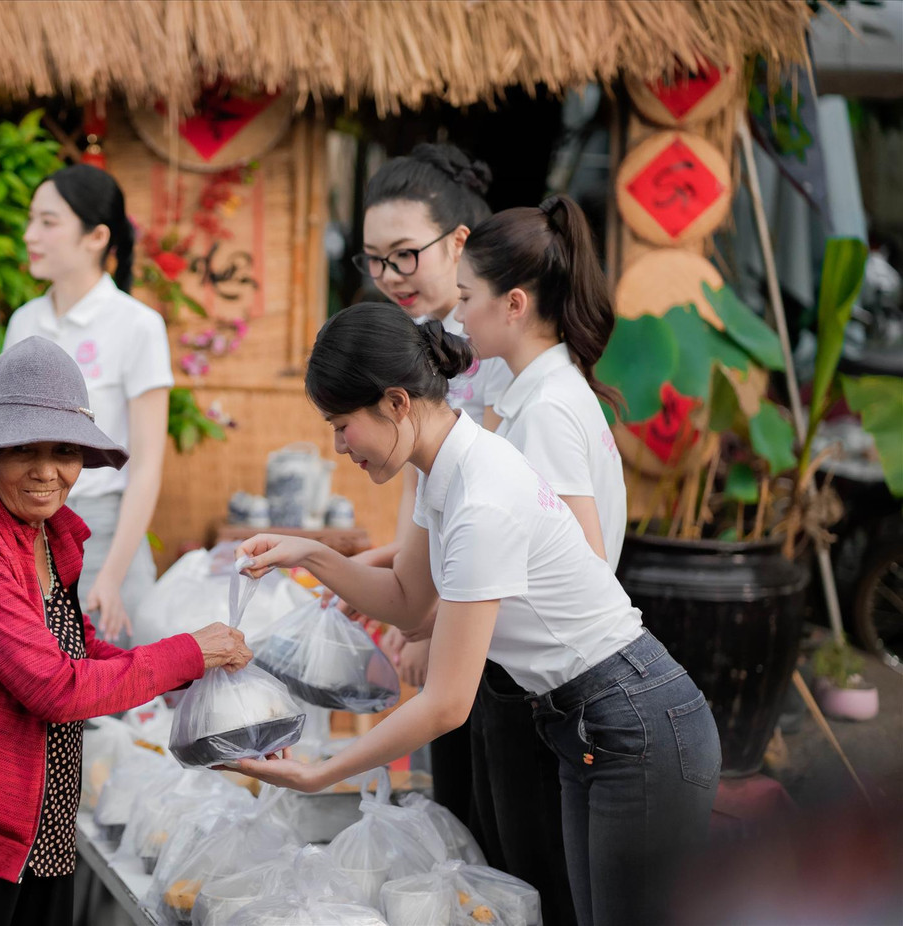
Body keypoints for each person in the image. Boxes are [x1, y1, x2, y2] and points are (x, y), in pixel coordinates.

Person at [231, 303, 721, 926]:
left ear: (396, 403)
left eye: (341, 424)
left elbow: (446, 703)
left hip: (636, 722)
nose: (336, 447)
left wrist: (321, 773)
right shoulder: (449, 469)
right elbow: (408, 601)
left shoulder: (480, 496)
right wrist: (311, 553)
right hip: (592, 724)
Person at [0, 336, 251, 926]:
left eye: (65, 450)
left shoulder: (48, 532)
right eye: (24, 449)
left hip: (40, 809)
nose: (47, 471)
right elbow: (52, 686)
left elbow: (75, 647)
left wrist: (194, 679)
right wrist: (184, 655)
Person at [444, 193, 627, 925]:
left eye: (465, 298)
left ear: (514, 304)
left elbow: (578, 568)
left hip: (552, 686)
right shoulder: (524, 388)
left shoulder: (548, 406)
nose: (455, 317)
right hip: (530, 678)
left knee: (534, 887)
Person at [343, 143, 510, 834]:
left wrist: (430, 619)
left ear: (458, 242)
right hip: (446, 600)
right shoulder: (410, 339)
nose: (388, 275)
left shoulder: (501, 345)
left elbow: (493, 505)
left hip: (503, 618)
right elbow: (419, 490)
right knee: (454, 818)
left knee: (504, 831)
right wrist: (410, 596)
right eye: (374, 259)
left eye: (404, 254)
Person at [4, 164, 171, 646]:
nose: (30, 235)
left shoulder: (137, 325)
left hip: (104, 535)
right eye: (31, 219)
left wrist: (112, 576)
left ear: (97, 236)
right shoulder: (24, 322)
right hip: (25, 532)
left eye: (48, 222)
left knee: (112, 698)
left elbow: (145, 467)